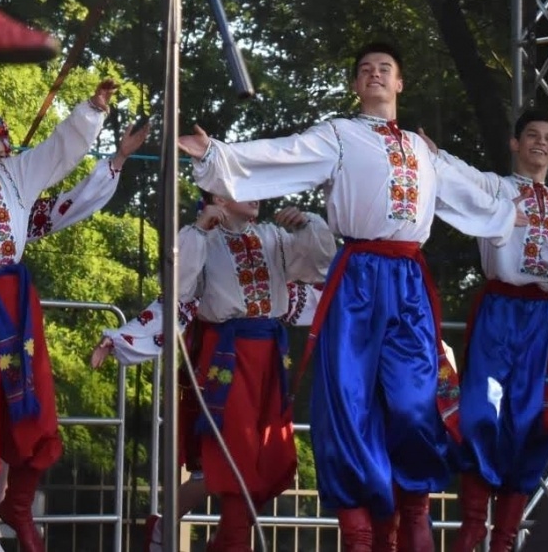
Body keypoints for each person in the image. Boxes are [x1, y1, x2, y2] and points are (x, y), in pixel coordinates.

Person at [178, 42, 520, 552]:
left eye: (385, 68)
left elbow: (485, 197)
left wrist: (541, 216)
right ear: (356, 86)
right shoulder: (340, 135)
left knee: (412, 400)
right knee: (349, 401)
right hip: (359, 274)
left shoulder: (422, 151)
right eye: (365, 70)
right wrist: (218, 155)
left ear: (399, 83)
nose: (375, 75)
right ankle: (358, 533)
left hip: (407, 278)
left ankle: (414, 514)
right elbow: (285, 153)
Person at [0, 79, 142, 552]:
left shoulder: (15, 177)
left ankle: (12, 509)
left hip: (17, 299)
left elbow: (57, 152)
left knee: (31, 403)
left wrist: (92, 110)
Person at [89, 193, 333, 552]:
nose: (256, 196)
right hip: (227, 359)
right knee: (233, 456)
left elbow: (321, 268)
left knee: (267, 457)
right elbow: (177, 292)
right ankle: (230, 543)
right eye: (243, 187)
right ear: (219, 195)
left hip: (269, 361)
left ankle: (219, 539)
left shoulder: (274, 236)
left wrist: (307, 224)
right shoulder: (202, 239)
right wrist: (121, 339)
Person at [431, 110, 548, 552]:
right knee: (481, 412)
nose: (541, 144)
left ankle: (504, 539)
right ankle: (470, 532)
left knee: (532, 422)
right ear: (515, 143)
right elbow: (455, 177)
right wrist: (431, 155)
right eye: (532, 136)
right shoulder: (496, 189)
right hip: (499, 311)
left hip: (543, 319)